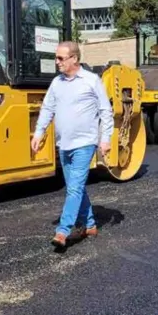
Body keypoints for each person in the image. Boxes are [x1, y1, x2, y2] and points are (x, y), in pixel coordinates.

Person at [32, 41, 114, 247]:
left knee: (74, 188)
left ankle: (63, 230)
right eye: (56, 57)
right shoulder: (57, 83)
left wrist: (105, 139)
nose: (57, 62)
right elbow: (47, 109)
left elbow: (105, 111)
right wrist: (39, 132)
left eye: (61, 58)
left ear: (74, 59)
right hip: (64, 144)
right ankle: (90, 224)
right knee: (74, 186)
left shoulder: (91, 80)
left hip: (85, 143)